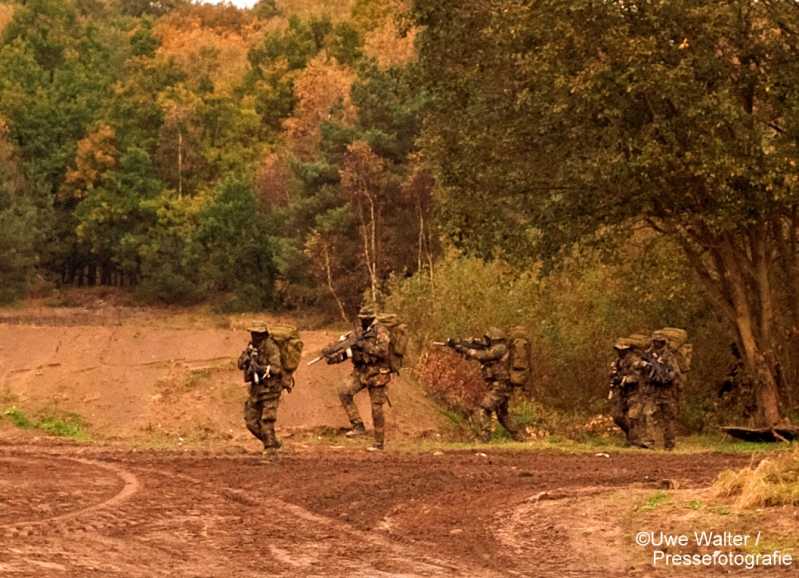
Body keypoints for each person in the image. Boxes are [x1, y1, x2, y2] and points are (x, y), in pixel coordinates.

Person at [451, 327, 523, 443]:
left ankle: (485, 438)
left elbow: (483, 355)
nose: (487, 341)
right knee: (502, 414)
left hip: (501, 386)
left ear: (494, 338)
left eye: (489, 338)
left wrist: (464, 349)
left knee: (484, 408)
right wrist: (462, 349)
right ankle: (519, 437)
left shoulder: (500, 348)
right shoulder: (497, 349)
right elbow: (482, 358)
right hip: (501, 385)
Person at [338, 305, 392, 451]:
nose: (362, 321)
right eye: (361, 319)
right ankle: (357, 424)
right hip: (362, 371)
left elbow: (382, 351)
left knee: (376, 409)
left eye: (364, 319)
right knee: (344, 392)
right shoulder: (362, 332)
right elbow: (353, 352)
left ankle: (379, 443)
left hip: (378, 373)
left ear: (371, 318)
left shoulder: (381, 331)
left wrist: (362, 345)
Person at [237, 323, 287, 456]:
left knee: (266, 421)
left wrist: (261, 368)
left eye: (256, 334)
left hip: (271, 389)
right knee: (251, 421)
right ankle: (272, 442)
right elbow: (239, 364)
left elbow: (276, 368)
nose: (253, 336)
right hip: (256, 390)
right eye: (252, 333)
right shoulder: (251, 347)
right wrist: (246, 360)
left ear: (262, 334)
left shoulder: (271, 347)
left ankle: (271, 450)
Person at [639, 330, 682, 450]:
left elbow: (675, 371)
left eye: (660, 341)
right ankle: (649, 442)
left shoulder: (669, 356)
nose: (657, 344)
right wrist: (643, 365)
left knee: (669, 418)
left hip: (666, 391)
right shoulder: (647, 355)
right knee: (647, 415)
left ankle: (669, 444)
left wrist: (667, 377)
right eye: (655, 341)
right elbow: (637, 366)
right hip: (652, 391)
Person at [608, 336, 646, 446]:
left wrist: (624, 379)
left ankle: (634, 441)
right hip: (622, 393)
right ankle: (631, 436)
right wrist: (613, 376)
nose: (619, 352)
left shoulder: (634, 360)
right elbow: (612, 374)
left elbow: (636, 377)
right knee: (617, 416)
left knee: (633, 417)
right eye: (618, 350)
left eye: (621, 349)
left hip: (635, 393)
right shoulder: (618, 361)